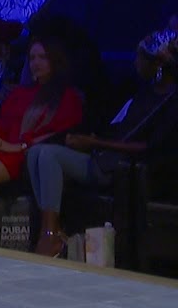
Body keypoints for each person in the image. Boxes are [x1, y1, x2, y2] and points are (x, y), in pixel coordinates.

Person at [26, 30, 178, 256]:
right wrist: (90, 139)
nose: (135, 63)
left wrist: (96, 142)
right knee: (35, 153)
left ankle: (49, 234)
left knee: (48, 155)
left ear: (157, 64)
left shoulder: (170, 102)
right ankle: (54, 231)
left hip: (124, 170)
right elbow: (117, 128)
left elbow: (150, 148)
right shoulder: (142, 94)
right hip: (104, 158)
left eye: (140, 58)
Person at [0, 38, 83, 199]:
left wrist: (18, 146)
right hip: (4, 147)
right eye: (32, 58)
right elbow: (3, 123)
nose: (36, 63)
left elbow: (58, 137)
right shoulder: (20, 93)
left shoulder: (68, 97)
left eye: (42, 57)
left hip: (28, 154)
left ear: (55, 60)